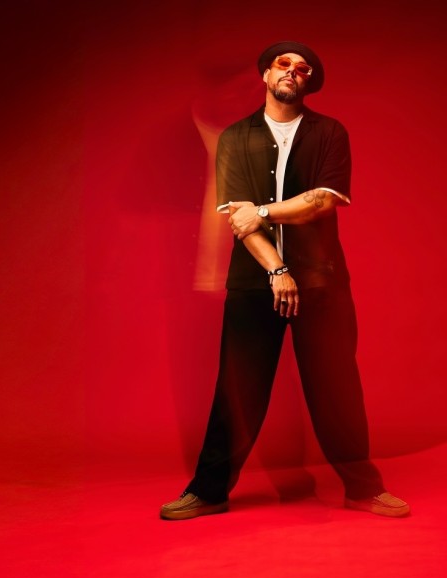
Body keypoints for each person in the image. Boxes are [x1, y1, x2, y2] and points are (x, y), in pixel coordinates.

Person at [160, 41, 409, 520]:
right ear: (266, 75)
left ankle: (363, 488)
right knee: (237, 390)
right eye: (283, 64)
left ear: (309, 81)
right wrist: (276, 270)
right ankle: (209, 491)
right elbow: (237, 218)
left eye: (303, 68)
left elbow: (323, 200)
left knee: (337, 388)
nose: (293, 71)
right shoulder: (236, 137)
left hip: (321, 281)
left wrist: (263, 211)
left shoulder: (329, 132)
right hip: (254, 281)